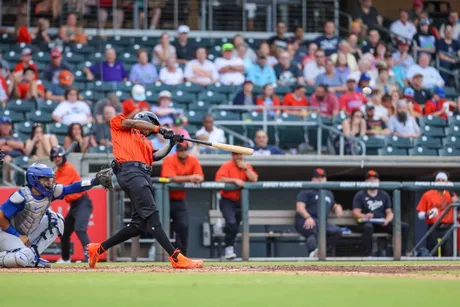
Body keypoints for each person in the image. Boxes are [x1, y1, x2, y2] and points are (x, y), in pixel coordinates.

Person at [87, 111, 204, 269]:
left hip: (142, 175)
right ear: (145, 120)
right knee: (152, 216)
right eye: (150, 126)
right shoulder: (121, 123)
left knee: (138, 225)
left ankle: (98, 249)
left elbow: (156, 156)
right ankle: (176, 257)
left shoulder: (145, 142)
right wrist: (159, 129)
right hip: (131, 172)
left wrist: (172, 144)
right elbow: (134, 124)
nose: (149, 131)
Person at [0, 163, 100, 268]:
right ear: (34, 179)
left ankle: (33, 257)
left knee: (56, 220)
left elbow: (72, 188)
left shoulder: (51, 191)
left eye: (50, 179)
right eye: (46, 179)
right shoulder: (21, 196)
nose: (49, 182)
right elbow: (0, 216)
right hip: (6, 235)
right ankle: (26, 256)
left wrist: (93, 182)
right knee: (23, 257)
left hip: (24, 234)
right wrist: (17, 235)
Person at [50, 146, 93, 264]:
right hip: (74, 205)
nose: (57, 158)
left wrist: (50, 182)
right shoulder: (57, 172)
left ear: (63, 156)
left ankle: (90, 256)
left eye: (59, 156)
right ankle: (65, 258)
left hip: (83, 202)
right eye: (54, 157)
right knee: (64, 232)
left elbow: (60, 188)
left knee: (80, 229)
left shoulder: (68, 168)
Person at [160, 142, 204, 255]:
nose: (182, 152)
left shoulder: (192, 160)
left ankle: (181, 254)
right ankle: (154, 251)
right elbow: (170, 177)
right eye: (180, 150)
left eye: (184, 150)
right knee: (158, 227)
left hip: (179, 200)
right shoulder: (170, 159)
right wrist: (190, 178)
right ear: (177, 150)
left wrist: (197, 178)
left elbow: (200, 176)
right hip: (164, 200)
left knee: (183, 226)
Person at [352, 170, 409, 256]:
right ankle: (367, 255)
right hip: (366, 223)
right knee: (368, 227)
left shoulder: (384, 194)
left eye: (374, 179)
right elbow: (355, 213)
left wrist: (387, 220)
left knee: (404, 226)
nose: (372, 181)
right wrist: (365, 216)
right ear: (365, 181)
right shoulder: (360, 194)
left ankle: (402, 254)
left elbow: (389, 212)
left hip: (381, 223)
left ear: (378, 181)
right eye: (369, 179)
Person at [215, 152, 258, 259]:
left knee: (234, 226)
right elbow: (218, 179)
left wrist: (246, 169)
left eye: (240, 154)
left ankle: (224, 231)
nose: (238, 157)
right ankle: (229, 248)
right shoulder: (227, 165)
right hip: (227, 200)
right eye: (235, 154)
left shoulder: (246, 166)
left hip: (240, 201)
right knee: (231, 222)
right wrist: (234, 180)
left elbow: (254, 179)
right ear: (232, 156)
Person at [295, 168, 343, 257]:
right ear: (313, 179)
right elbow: (300, 208)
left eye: (322, 177)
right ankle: (313, 253)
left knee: (337, 231)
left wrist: (337, 207)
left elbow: (333, 205)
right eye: (317, 177)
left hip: (321, 223)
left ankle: (323, 253)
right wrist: (308, 217)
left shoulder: (328, 193)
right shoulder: (306, 191)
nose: (320, 179)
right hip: (304, 221)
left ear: (326, 179)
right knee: (313, 230)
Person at [416, 171, 457, 257]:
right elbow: (420, 215)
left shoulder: (451, 194)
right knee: (432, 253)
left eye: (443, 180)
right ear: (435, 181)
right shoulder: (427, 195)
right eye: (438, 180)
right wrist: (428, 214)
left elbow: (457, 205)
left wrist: (451, 191)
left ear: (447, 182)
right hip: (433, 226)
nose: (440, 182)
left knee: (448, 253)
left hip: (448, 227)